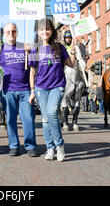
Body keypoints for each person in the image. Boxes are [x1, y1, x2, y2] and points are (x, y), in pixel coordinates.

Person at [29, 18, 76, 162]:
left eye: (48, 29)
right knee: (44, 119)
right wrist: (32, 91)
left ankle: (59, 146)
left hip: (57, 86)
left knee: (51, 113)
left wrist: (72, 51)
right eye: (42, 29)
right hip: (40, 87)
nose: (45, 31)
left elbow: (71, 64)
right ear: (38, 31)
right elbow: (32, 72)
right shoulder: (34, 49)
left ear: (52, 31)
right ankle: (50, 148)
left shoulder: (59, 47)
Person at [0, 22, 38, 157]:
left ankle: (30, 145)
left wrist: (31, 51)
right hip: (7, 90)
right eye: (8, 31)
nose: (11, 34)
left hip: (25, 89)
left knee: (28, 118)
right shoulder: (0, 49)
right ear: (4, 34)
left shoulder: (26, 47)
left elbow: (34, 67)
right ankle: (14, 145)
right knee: (10, 119)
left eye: (14, 31)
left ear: (17, 32)